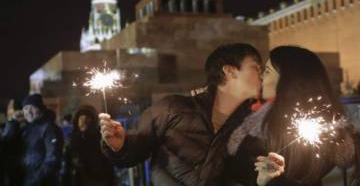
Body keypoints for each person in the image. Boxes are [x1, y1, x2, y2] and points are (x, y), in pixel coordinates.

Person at [99, 43, 284, 186]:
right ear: (230, 71)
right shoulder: (173, 108)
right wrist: (120, 146)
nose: (261, 76)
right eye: (255, 68)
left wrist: (266, 179)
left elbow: (251, 177)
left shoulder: (255, 129)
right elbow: (134, 150)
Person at [226, 46, 360, 186]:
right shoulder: (261, 118)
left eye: (267, 71)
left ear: (288, 79)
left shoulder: (311, 130)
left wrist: (266, 181)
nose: (262, 77)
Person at [16, 94, 64, 186]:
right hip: (26, 178)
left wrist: (33, 181)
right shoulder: (26, 128)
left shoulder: (49, 128)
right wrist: (13, 122)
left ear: (41, 109)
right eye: (25, 108)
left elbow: (52, 159)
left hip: (42, 182)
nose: (28, 111)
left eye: (32, 107)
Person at [69, 105, 115, 186]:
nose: (84, 122)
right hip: (80, 179)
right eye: (81, 119)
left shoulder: (99, 138)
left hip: (98, 179)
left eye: (87, 119)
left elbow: (107, 163)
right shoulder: (73, 138)